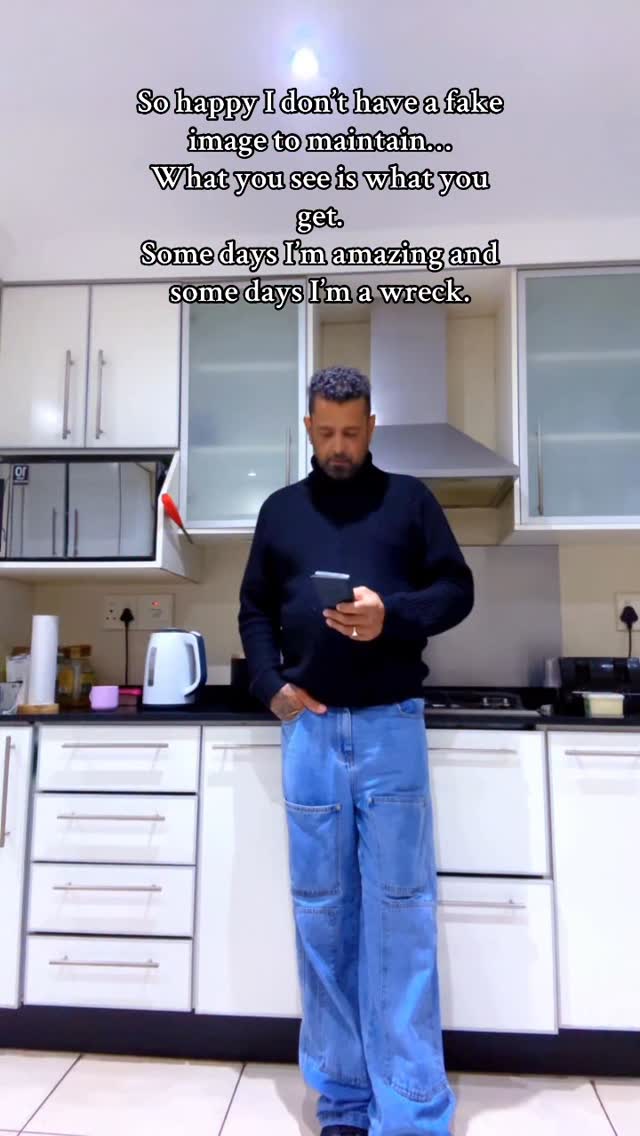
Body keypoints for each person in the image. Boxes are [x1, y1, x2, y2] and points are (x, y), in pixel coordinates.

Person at [238, 365, 474, 1136]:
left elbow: (457, 590)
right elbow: (253, 609)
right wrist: (270, 685)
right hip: (310, 733)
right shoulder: (280, 511)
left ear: (372, 426)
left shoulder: (410, 501)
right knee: (322, 917)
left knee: (402, 915)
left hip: (389, 728)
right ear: (309, 428)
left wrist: (390, 615)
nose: (339, 446)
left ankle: (411, 1110)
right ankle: (342, 1098)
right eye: (326, 432)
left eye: (352, 431)